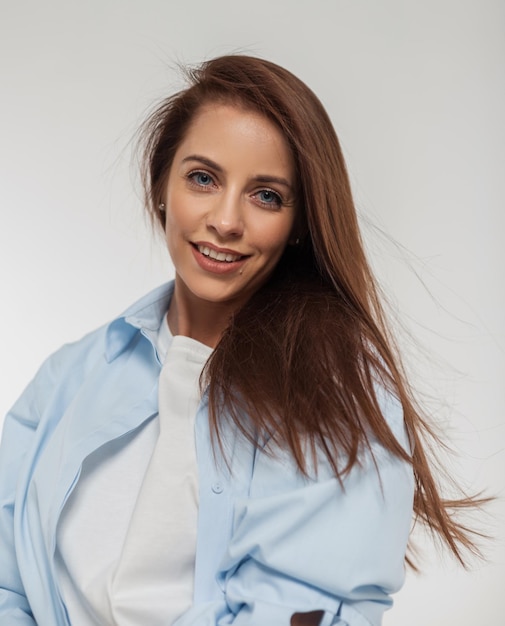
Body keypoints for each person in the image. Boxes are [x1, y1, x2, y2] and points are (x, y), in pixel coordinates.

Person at [0, 55, 480, 626]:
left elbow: (308, 603)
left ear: (301, 221)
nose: (226, 220)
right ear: (162, 186)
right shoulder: (71, 377)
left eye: (266, 196)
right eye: (203, 178)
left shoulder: (337, 390)